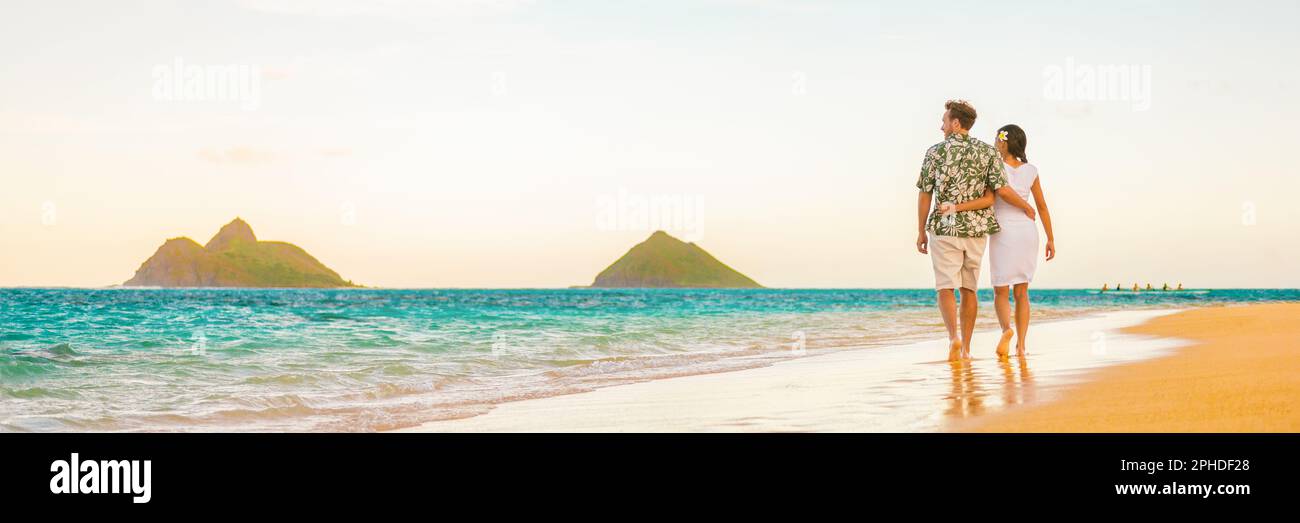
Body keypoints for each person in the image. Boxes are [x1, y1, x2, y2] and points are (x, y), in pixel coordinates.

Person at [916, 100, 1035, 361]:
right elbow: (1000, 192)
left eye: (944, 121)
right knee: (969, 288)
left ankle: (953, 338)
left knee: (946, 287)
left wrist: (921, 230)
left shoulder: (934, 152)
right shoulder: (987, 152)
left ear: (955, 123)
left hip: (944, 226)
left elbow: (926, 194)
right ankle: (967, 348)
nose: (941, 126)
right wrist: (1026, 207)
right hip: (976, 228)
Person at [945, 124, 1054, 358]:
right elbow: (1042, 207)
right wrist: (1050, 239)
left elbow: (993, 197)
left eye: (997, 139)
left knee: (1001, 290)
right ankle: (1022, 346)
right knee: (1022, 291)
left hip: (1003, 230)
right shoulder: (1031, 170)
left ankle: (1007, 329)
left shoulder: (994, 166)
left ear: (1004, 142)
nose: (994, 142)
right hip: (1027, 230)